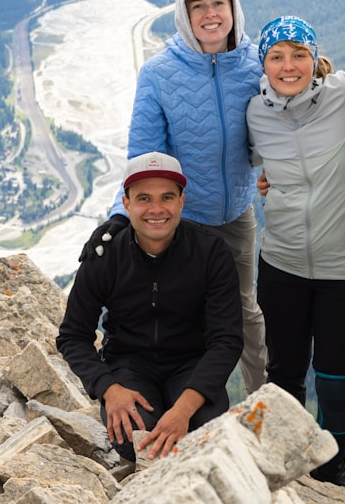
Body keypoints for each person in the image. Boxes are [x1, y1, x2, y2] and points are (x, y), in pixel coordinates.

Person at [78, 0, 268, 394]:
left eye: (218, 2)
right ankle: (194, 407)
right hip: (183, 222)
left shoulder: (257, 62)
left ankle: (265, 409)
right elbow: (143, 157)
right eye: (197, 6)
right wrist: (119, 219)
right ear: (184, 15)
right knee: (186, 318)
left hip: (237, 216)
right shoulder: (160, 73)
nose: (210, 14)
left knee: (244, 313)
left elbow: (291, 108)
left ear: (234, 6)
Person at [57, 151, 243, 462]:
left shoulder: (211, 252)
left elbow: (227, 340)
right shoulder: (104, 256)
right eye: (144, 198)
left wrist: (182, 411)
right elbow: (73, 336)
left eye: (167, 197)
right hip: (129, 365)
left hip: (190, 365)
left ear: (181, 201)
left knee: (205, 433)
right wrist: (108, 388)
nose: (156, 209)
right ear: (126, 203)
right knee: (137, 440)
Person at [245, 16, 345, 486]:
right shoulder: (255, 112)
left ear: (316, 59)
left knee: (337, 386)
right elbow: (257, 166)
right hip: (282, 265)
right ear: (264, 63)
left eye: (299, 54)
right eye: (277, 56)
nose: (289, 65)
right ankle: (286, 466)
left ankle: (332, 476)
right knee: (283, 378)